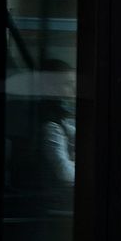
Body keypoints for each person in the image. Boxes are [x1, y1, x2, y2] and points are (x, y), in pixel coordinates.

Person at [37, 59, 76, 187]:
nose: (73, 90)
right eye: (68, 85)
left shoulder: (63, 122)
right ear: (52, 89)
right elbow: (64, 173)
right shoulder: (50, 127)